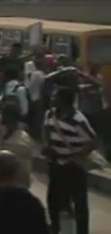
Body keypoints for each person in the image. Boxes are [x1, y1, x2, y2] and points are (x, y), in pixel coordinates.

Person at [44, 87, 97, 234]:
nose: (53, 99)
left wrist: (77, 157)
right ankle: (55, 227)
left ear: (64, 101)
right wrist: (48, 147)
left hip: (73, 167)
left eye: (56, 97)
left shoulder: (78, 120)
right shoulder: (50, 114)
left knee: (79, 202)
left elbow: (93, 141)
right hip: (56, 164)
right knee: (52, 199)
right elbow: (47, 130)